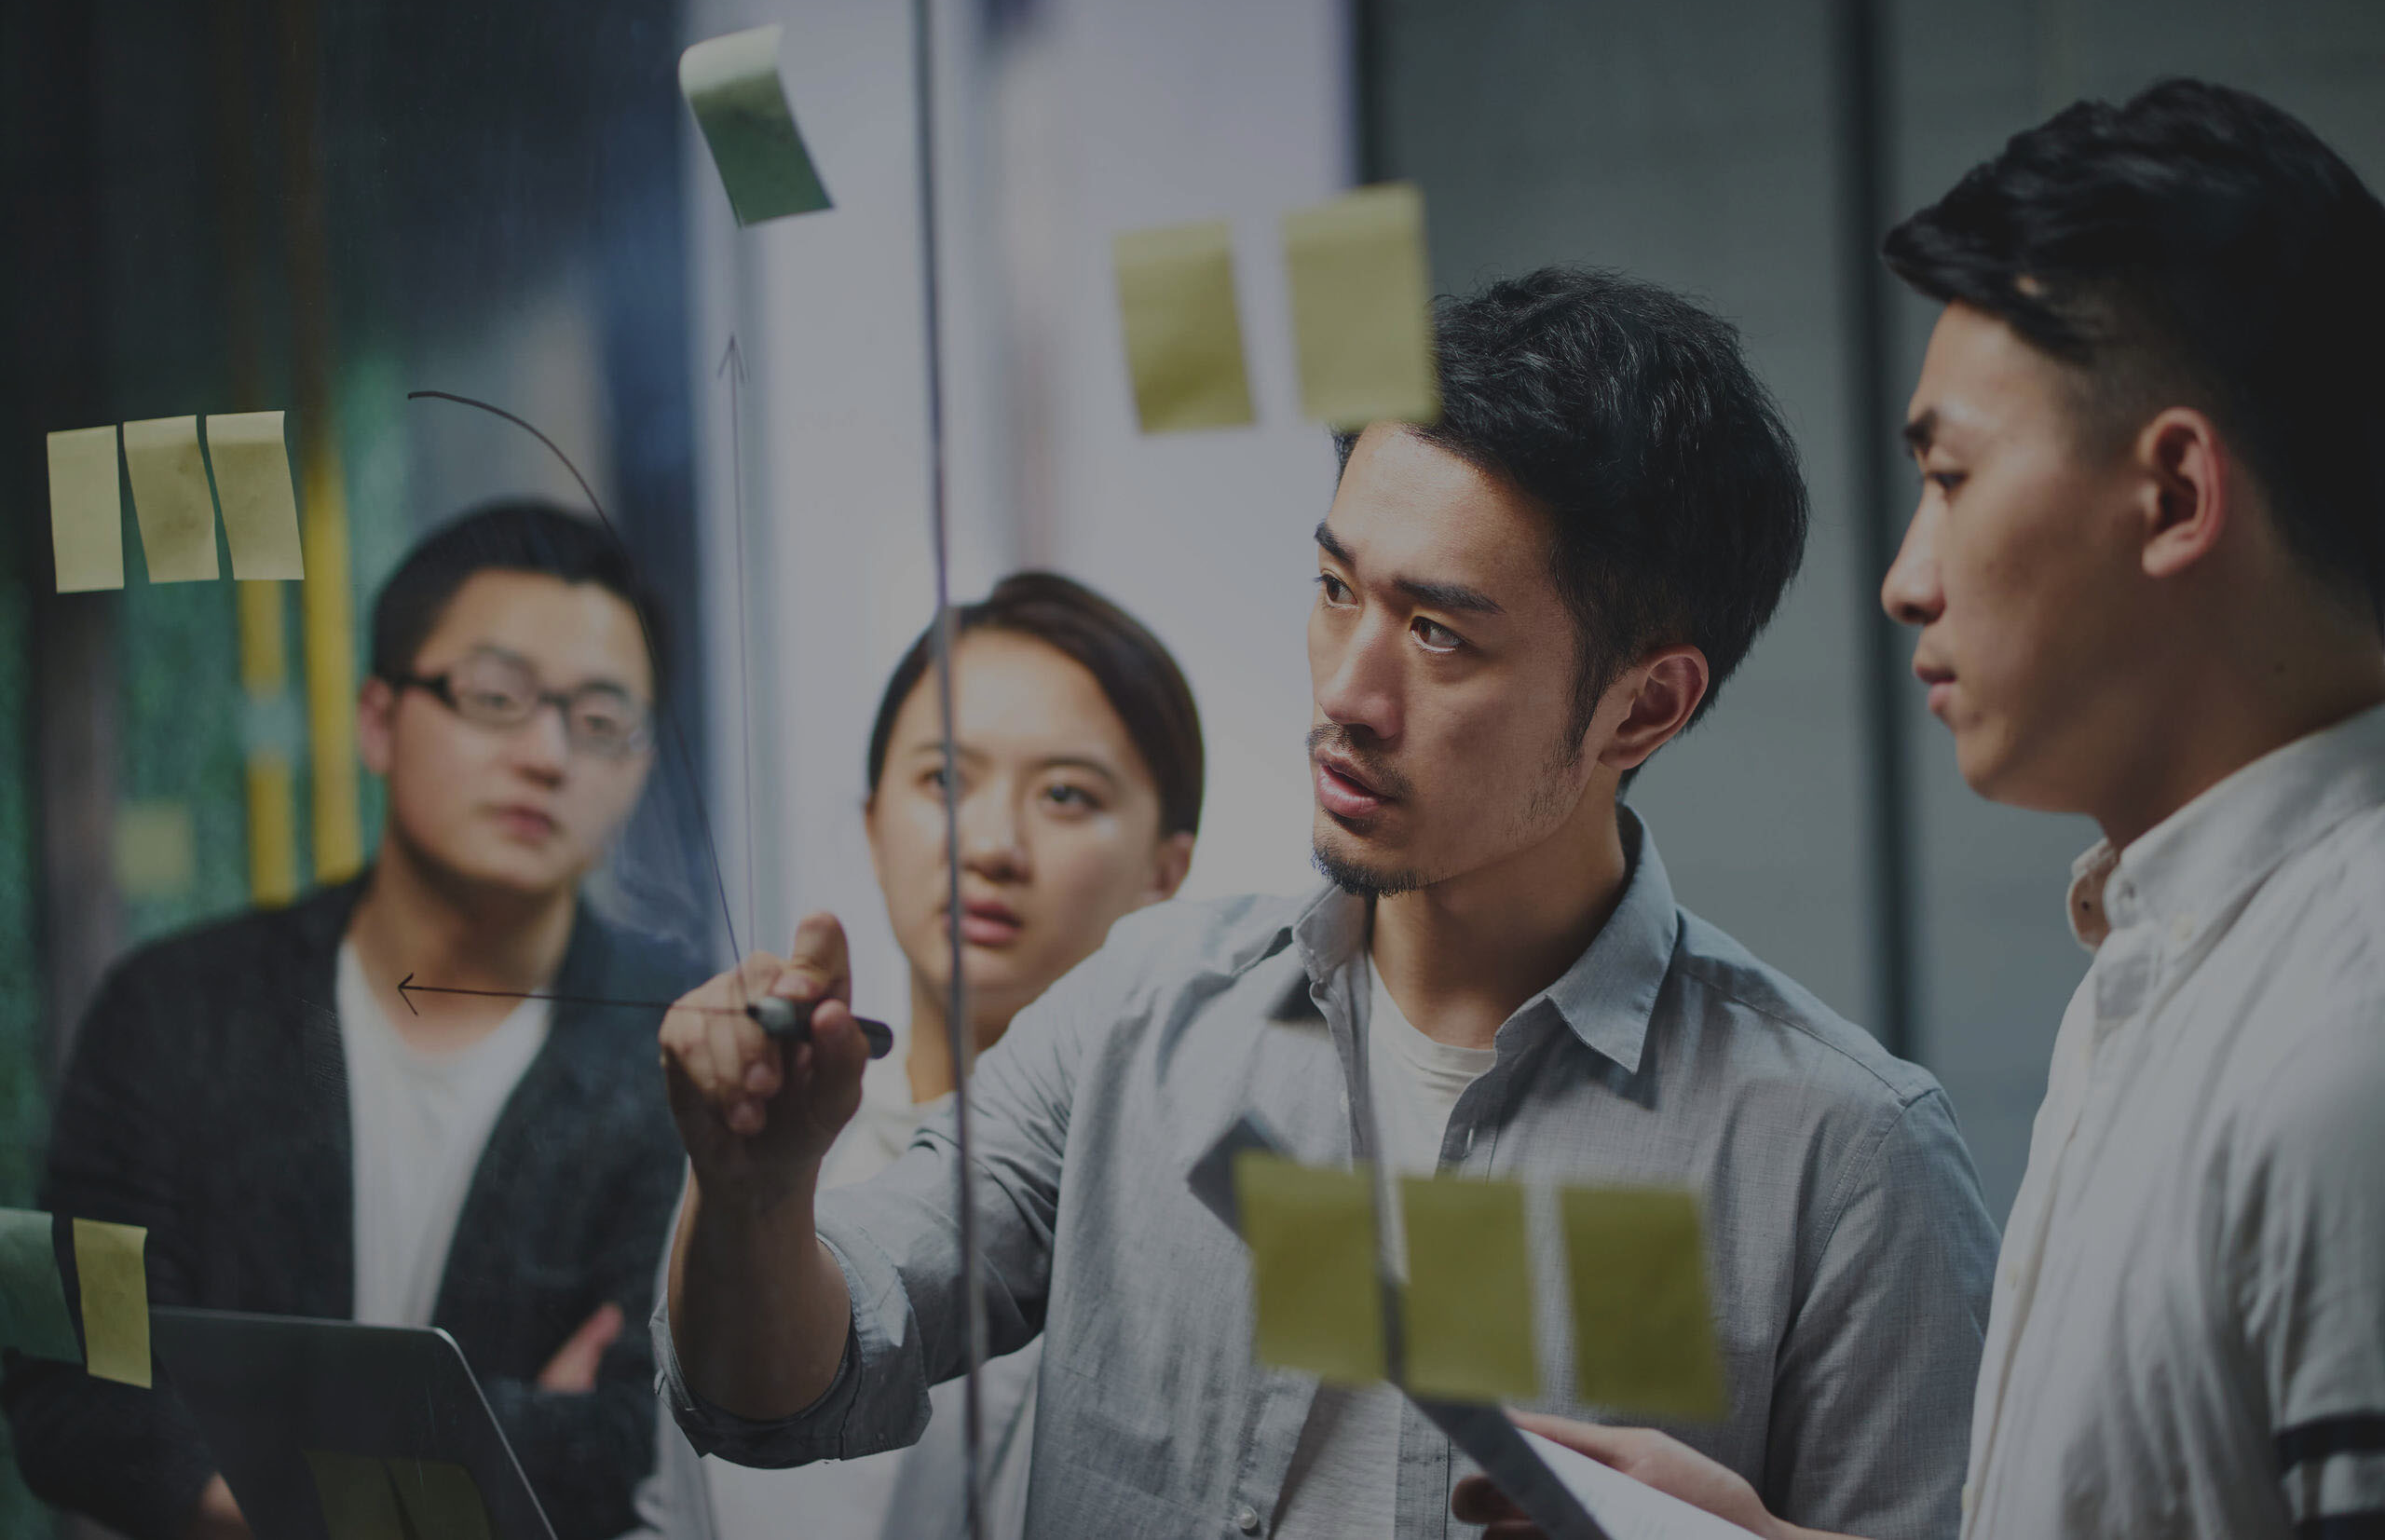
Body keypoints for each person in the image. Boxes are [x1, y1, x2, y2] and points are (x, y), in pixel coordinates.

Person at [656, 268, 2000, 1540]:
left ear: (1643, 703)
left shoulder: (1842, 1159)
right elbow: (779, 1392)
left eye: (1438, 633)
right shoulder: (1145, 1013)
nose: (1348, 694)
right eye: (1336, 588)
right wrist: (754, 1192)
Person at [1453, 80, 2385, 1540]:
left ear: (2176, 494)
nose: (1907, 575)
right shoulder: (2173, 967)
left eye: (1950, 477)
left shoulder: (2349, 1041)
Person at [3, 502, 700, 1540]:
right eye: (496, 697)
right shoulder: (176, 1010)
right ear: (378, 720)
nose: (549, 756)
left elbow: (635, 1443)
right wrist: (470, 1455)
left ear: (639, 763)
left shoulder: (680, 1051)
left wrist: (254, 1448)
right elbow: (75, 1386)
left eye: (600, 723)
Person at [634, 570, 1202, 1540]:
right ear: (872, 823)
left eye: (1065, 795)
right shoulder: (760, 1142)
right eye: (945, 780)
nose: (990, 845)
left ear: (1165, 872)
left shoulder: (1170, 1206)